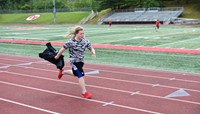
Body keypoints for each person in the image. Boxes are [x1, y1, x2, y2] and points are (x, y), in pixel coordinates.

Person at [54, 26, 96, 99]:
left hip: (81, 61)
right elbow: (62, 49)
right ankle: (84, 92)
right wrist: (57, 56)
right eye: (80, 34)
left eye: (83, 33)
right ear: (76, 34)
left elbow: (91, 47)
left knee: (75, 73)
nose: (82, 35)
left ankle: (63, 72)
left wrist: (93, 52)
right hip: (74, 61)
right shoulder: (70, 42)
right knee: (80, 74)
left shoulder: (85, 41)